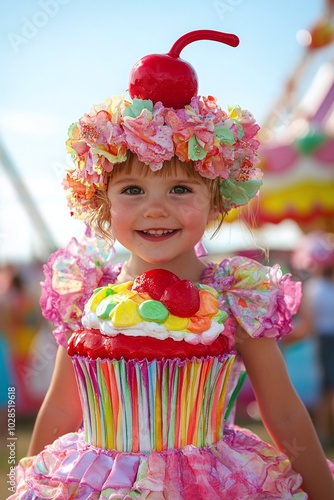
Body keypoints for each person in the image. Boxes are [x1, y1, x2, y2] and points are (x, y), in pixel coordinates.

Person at [10, 30, 334, 499]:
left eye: (181, 189)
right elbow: (61, 412)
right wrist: (30, 485)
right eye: (132, 191)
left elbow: (283, 413)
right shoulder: (85, 293)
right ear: (102, 202)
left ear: (216, 200)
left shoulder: (235, 296)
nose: (155, 209)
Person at [291, 231, 334, 449]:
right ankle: (326, 431)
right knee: (328, 388)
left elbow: (308, 322)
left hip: (323, 340)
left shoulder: (314, 288)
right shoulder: (320, 288)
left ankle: (325, 431)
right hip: (325, 339)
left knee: (326, 388)